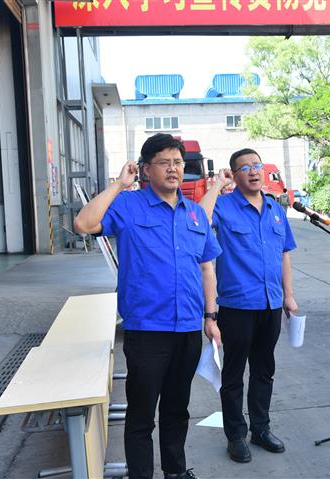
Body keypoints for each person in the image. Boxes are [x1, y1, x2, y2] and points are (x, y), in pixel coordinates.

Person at [73, 133, 221, 479]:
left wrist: (211, 316)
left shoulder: (195, 214)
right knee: (141, 416)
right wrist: (118, 185)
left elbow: (207, 267)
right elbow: (83, 224)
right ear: (145, 169)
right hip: (147, 330)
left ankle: (175, 471)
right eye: (164, 162)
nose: (173, 169)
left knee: (177, 410)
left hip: (188, 328)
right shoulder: (128, 205)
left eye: (178, 162)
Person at [199, 148, 298, 462]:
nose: (253, 171)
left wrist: (288, 295)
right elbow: (198, 220)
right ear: (234, 174)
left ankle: (261, 428)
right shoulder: (224, 206)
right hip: (237, 305)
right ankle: (236, 436)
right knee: (233, 374)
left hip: (270, 303)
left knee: (264, 370)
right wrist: (217, 185)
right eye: (245, 168)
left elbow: (284, 253)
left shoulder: (275, 209)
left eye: (257, 165)